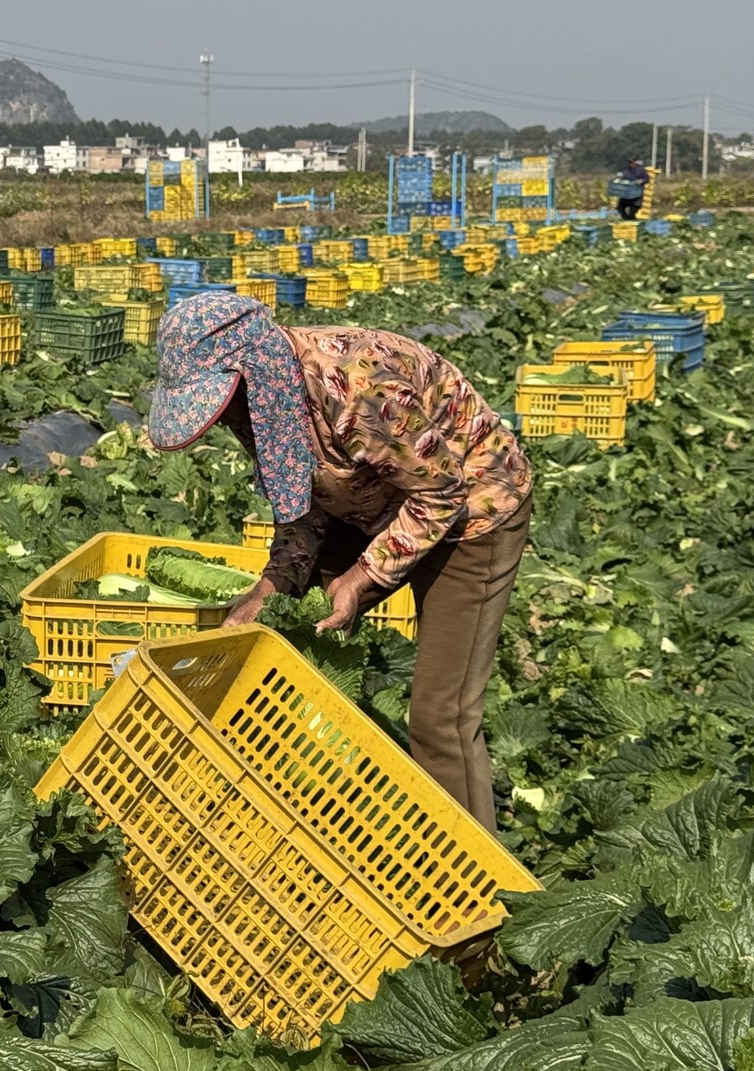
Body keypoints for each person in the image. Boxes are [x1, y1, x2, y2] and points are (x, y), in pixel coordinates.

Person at [147, 292, 532, 831]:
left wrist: (365, 575)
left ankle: (479, 884)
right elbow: (299, 495)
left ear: (250, 371)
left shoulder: (359, 387)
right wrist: (273, 583)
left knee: (440, 714)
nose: (220, 418)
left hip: (471, 514)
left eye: (220, 400)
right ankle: (332, 815)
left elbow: (441, 494)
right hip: (369, 504)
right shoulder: (259, 397)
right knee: (306, 645)